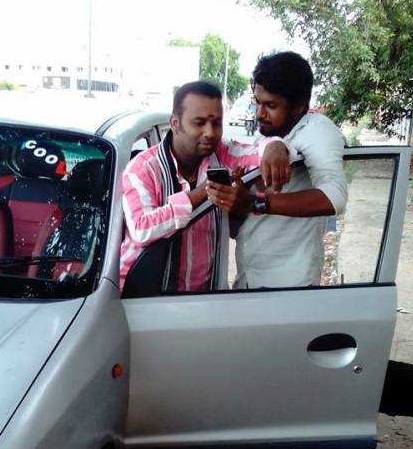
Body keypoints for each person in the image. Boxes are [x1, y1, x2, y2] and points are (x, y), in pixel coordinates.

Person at [119, 80, 295, 292]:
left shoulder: (222, 155)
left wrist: (276, 146)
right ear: (175, 123)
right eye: (199, 122)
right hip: (141, 300)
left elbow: (257, 151)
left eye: (217, 123)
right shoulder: (142, 168)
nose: (210, 133)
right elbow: (142, 228)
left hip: (204, 300)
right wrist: (203, 192)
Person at [206, 52, 348, 289]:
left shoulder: (317, 129)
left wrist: (256, 202)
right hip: (252, 282)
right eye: (257, 102)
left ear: (298, 106)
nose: (259, 113)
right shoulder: (275, 138)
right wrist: (238, 203)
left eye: (270, 105)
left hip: (290, 287)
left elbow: (335, 196)